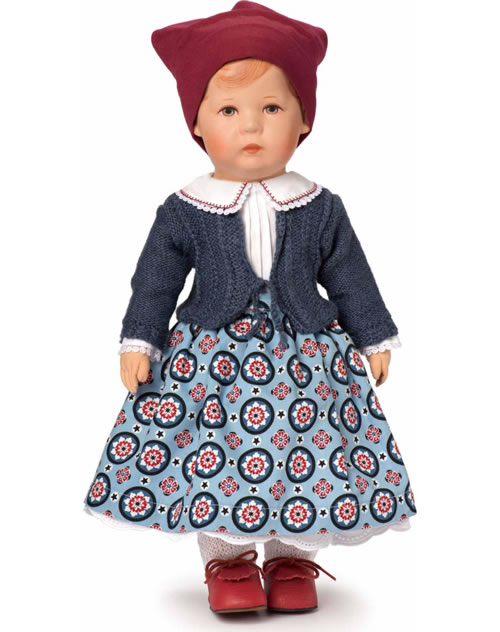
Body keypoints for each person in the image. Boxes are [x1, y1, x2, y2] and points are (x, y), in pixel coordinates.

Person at [82, 1, 417, 614]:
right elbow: (155, 282)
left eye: (272, 109)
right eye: (229, 111)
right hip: (212, 361)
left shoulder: (319, 204)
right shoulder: (185, 207)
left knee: (308, 448)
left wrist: (373, 335)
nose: (251, 127)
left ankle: (293, 557)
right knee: (218, 453)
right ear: (197, 124)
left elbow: (349, 274)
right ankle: (228, 560)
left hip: (307, 357)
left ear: (304, 120)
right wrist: (140, 340)